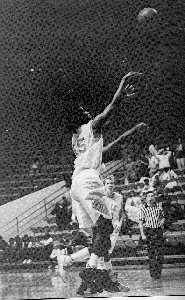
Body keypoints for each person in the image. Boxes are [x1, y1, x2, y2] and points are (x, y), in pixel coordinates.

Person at [58, 71, 147, 294]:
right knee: (105, 228)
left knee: (101, 236)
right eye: (84, 111)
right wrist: (122, 85)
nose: (88, 112)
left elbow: (107, 150)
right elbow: (111, 108)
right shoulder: (91, 126)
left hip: (77, 184)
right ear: (81, 117)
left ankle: (99, 279)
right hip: (88, 180)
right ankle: (91, 271)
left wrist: (131, 132)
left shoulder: (77, 138)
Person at [139, 191, 165, 279]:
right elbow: (140, 222)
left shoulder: (159, 206)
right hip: (149, 231)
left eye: (152, 196)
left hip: (158, 231)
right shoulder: (143, 208)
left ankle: (159, 271)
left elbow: (162, 217)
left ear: (154, 197)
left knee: (160, 253)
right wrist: (142, 234)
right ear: (146, 198)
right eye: (149, 196)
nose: (150, 198)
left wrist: (162, 221)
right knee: (152, 253)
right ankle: (153, 274)